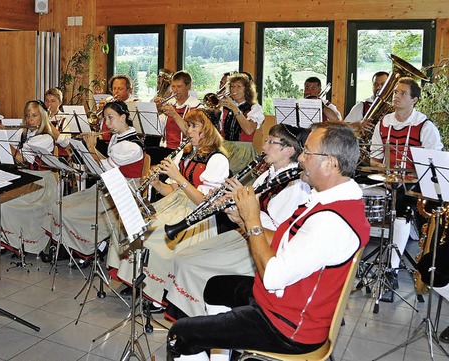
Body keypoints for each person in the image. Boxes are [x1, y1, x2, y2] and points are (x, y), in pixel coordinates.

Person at [167, 121, 370, 360]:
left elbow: (273, 276)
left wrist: (253, 220)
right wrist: (244, 221)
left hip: (288, 327)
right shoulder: (330, 200)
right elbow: (286, 240)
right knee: (215, 287)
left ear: (330, 163)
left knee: (181, 333)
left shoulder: (331, 221)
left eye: (307, 152)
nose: (301, 158)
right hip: (287, 302)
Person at [164, 124, 311, 320]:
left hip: (266, 245)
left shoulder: (296, 186)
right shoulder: (269, 173)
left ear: (289, 150)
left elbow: (277, 231)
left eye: (270, 142)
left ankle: (203, 320)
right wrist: (230, 202)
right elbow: (250, 207)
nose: (264, 147)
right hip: (246, 233)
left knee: (191, 263)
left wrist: (242, 204)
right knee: (184, 255)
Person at [111, 109, 229, 309]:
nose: (188, 131)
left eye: (193, 126)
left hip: (197, 215)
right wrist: (156, 183)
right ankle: (141, 281)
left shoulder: (218, 159)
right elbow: (172, 191)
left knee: (156, 241)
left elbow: (203, 202)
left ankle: (160, 294)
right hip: (176, 204)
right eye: (188, 126)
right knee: (134, 226)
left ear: (207, 129)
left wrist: (179, 177)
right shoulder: (187, 153)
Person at [369, 77, 443, 302]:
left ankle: (394, 266)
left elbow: (434, 162)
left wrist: (409, 173)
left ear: (414, 100)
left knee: (402, 211)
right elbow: (374, 158)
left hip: (416, 185)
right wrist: (388, 169)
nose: (396, 96)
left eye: (402, 93)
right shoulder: (384, 122)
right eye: (396, 92)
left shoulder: (425, 125)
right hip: (390, 181)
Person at [51, 100, 145, 266]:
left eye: (110, 118)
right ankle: (70, 246)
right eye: (105, 119)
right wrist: (92, 150)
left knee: (71, 212)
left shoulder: (130, 146)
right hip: (111, 185)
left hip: (124, 191)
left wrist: (91, 149)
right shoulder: (118, 137)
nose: (107, 124)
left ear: (123, 117)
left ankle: (89, 248)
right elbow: (107, 162)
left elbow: (103, 169)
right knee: (61, 204)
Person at [0, 100, 58, 257]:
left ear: (42, 117)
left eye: (34, 116)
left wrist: (1, 137)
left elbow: (21, 159)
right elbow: (8, 154)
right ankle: (3, 239)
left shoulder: (45, 138)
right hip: (24, 178)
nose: (30, 120)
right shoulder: (24, 133)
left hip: (41, 183)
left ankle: (17, 242)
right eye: (28, 116)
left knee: (7, 205)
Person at [217, 73, 265, 142]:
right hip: (225, 146)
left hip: (243, 149)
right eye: (232, 86)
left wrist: (234, 108)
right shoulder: (225, 107)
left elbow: (249, 130)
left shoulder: (254, 108)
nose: (234, 90)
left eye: (238, 86)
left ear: (247, 89)